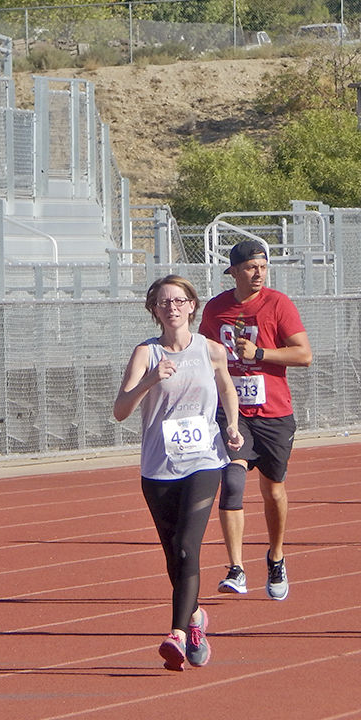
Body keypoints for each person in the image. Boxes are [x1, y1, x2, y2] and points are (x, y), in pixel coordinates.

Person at [114, 275, 243, 671]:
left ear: (192, 306)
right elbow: (120, 411)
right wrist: (150, 381)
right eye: (163, 301)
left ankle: (177, 634)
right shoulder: (145, 354)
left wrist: (233, 427)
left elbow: (227, 389)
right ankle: (196, 616)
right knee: (175, 556)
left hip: (204, 460)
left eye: (179, 300)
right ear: (154, 310)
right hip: (158, 467)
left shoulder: (211, 350)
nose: (172, 306)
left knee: (189, 546)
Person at [199, 240, 312, 601]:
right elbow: (201, 353)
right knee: (232, 480)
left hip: (274, 412)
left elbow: (304, 355)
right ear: (233, 272)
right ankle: (236, 568)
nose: (258, 273)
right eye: (250, 267)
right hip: (232, 411)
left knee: (273, 488)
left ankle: (276, 556)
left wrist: (261, 353)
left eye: (262, 266)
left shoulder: (278, 304)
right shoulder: (216, 309)